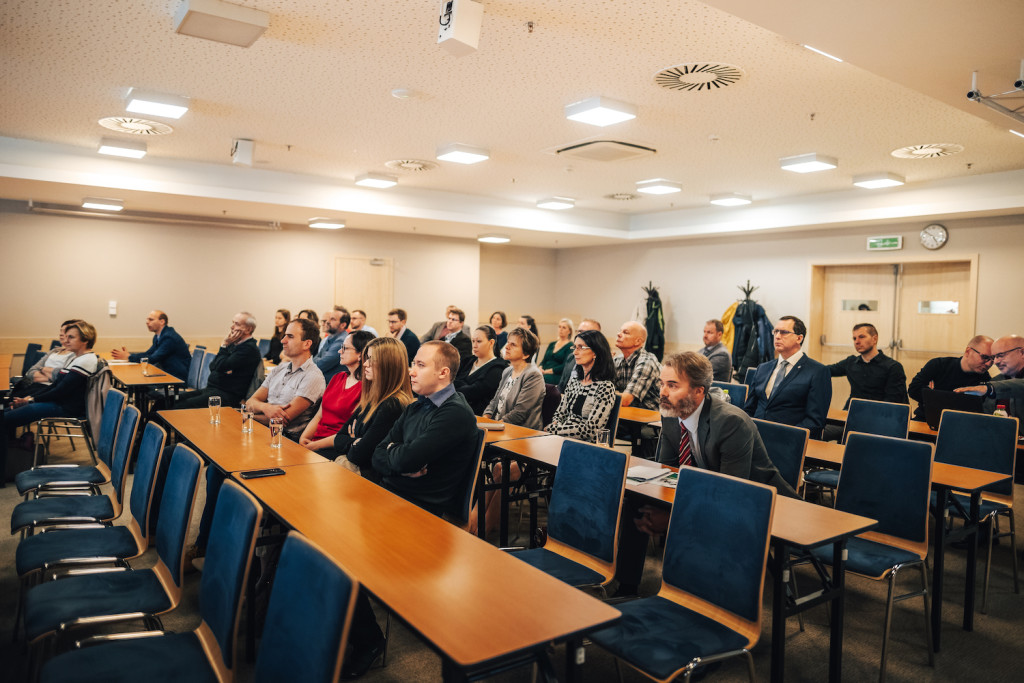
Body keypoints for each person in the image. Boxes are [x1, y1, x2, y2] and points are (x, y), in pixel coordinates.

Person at [614, 351, 798, 596]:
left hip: (757, 500)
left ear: (698, 391)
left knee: (694, 519)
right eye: (662, 384)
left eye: (672, 385)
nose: (662, 393)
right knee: (637, 500)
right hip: (708, 487)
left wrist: (673, 518)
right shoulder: (671, 413)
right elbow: (667, 470)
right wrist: (661, 504)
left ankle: (699, 601)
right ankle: (627, 587)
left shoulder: (731, 422)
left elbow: (731, 492)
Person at [347, 341, 479, 677]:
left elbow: (400, 456)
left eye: (419, 365)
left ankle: (367, 641)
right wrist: (398, 457)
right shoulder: (418, 405)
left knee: (338, 550)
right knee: (317, 533)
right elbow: (378, 452)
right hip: (391, 497)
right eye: (413, 364)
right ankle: (339, 626)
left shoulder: (454, 413)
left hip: (420, 511)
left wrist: (398, 456)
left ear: (443, 372)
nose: (411, 370)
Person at [186, 318, 326, 565]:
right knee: (214, 468)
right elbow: (250, 402)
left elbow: (282, 420)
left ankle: (211, 547)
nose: (282, 340)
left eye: (290, 336)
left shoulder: (313, 377)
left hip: (284, 446)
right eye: (284, 335)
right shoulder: (281, 369)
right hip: (259, 436)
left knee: (220, 474)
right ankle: (211, 544)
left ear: (307, 343)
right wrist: (267, 408)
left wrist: (260, 411)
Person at [1, 321, 100, 481]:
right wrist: (29, 399)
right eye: (66, 336)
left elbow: (61, 391)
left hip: (66, 408)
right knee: (5, 412)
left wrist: (31, 400)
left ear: (85, 340)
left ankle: (8, 462)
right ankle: (15, 448)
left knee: (5, 417)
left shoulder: (86, 360)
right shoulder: (76, 358)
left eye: (71, 337)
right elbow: (56, 386)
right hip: (58, 403)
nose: (65, 340)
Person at [473, 327, 545, 534]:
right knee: (489, 465)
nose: (506, 347)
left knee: (500, 470)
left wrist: (492, 428)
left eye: (513, 344)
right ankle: (476, 519)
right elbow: (494, 402)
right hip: (499, 432)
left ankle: (486, 523)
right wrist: (485, 419)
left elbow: (519, 414)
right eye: (508, 343)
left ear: (526, 353)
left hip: (522, 438)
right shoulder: (507, 371)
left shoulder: (533, 375)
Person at [336, 337, 414, 482]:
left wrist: (354, 442)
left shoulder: (392, 405)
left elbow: (359, 456)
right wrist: (354, 442)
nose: (365, 364)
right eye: (366, 358)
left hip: (369, 479)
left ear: (388, 365)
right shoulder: (371, 397)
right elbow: (338, 438)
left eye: (371, 359)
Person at [744, 316, 832, 439]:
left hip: (788, 440)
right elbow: (749, 408)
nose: (778, 336)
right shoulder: (763, 368)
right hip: (755, 437)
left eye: (784, 332)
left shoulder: (817, 371)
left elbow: (815, 421)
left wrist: (787, 437)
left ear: (799, 338)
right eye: (775, 331)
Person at [823, 322, 909, 441]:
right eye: (854, 338)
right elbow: (825, 371)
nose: (857, 341)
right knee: (817, 432)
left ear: (874, 339)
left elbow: (893, 403)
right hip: (850, 416)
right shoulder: (851, 362)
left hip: (878, 420)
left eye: (861, 337)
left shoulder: (892, 367)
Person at [299, 330, 374, 454]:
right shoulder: (338, 377)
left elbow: (349, 433)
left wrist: (314, 445)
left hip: (335, 448)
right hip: (315, 442)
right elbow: (320, 415)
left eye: (345, 348)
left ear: (360, 354)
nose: (340, 351)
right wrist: (304, 438)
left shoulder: (366, 388)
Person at [171, 312, 262, 409]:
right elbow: (213, 366)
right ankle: (153, 423)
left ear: (248, 329)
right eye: (233, 323)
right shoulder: (233, 344)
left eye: (237, 324)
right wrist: (223, 358)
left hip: (227, 395)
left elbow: (220, 366)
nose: (232, 327)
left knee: (180, 406)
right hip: (211, 390)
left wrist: (224, 345)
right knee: (170, 399)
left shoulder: (249, 349)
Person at [546, 329, 617, 443]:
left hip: (584, 446)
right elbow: (559, 414)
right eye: (575, 347)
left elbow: (591, 430)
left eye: (581, 347)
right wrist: (555, 427)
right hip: (562, 439)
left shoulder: (605, 387)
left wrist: (554, 430)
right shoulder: (574, 381)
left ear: (595, 352)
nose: (575, 352)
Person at [908, 335, 994, 421]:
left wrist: (933, 395)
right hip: (926, 419)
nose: (989, 364)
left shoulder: (986, 379)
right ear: (968, 351)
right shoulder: (939, 365)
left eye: (992, 359)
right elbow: (913, 389)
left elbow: (982, 410)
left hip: (960, 424)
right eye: (985, 357)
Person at [110, 309, 190, 380]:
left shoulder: (169, 338)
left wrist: (129, 357)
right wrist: (129, 355)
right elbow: (148, 353)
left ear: (162, 322)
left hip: (176, 377)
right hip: (167, 374)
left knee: (140, 384)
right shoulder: (158, 336)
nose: (147, 322)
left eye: (151, 320)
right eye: (147, 319)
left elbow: (153, 359)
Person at [957, 335, 1024, 418]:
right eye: (994, 357)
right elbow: (986, 415)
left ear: (1022, 353)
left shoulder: (992, 386)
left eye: (1000, 355)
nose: (995, 362)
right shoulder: (995, 381)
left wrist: (990, 388)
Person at [11, 320, 78, 398]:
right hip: (34, 385)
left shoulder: (75, 355)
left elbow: (62, 377)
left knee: (14, 406)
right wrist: (49, 375)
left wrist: (43, 370)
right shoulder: (54, 350)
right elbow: (31, 371)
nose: (61, 333)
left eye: (65, 331)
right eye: (61, 330)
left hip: (48, 390)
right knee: (10, 402)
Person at [454, 325, 508, 415]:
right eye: (473, 341)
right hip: (457, 408)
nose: (474, 345)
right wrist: (463, 385)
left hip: (475, 415)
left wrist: (459, 384)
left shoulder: (498, 368)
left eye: (479, 341)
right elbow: (451, 382)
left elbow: (473, 392)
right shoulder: (468, 361)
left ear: (491, 343)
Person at [558, 318, 601, 392]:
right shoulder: (571, 357)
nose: (579, 335)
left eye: (584, 332)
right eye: (579, 332)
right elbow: (561, 387)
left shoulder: (601, 362)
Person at [312, 308, 351, 383]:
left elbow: (320, 364)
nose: (327, 322)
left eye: (332, 319)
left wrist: (314, 362)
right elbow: (317, 357)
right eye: (328, 319)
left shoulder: (342, 341)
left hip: (332, 386)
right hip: (322, 382)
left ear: (343, 325)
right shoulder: (331, 337)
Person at [540, 318, 574, 384]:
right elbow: (543, 361)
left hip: (557, 375)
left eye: (564, 327)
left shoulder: (570, 345)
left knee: (541, 380)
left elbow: (565, 366)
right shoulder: (552, 344)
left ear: (569, 331)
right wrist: (540, 368)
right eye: (559, 327)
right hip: (544, 373)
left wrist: (548, 371)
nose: (560, 329)